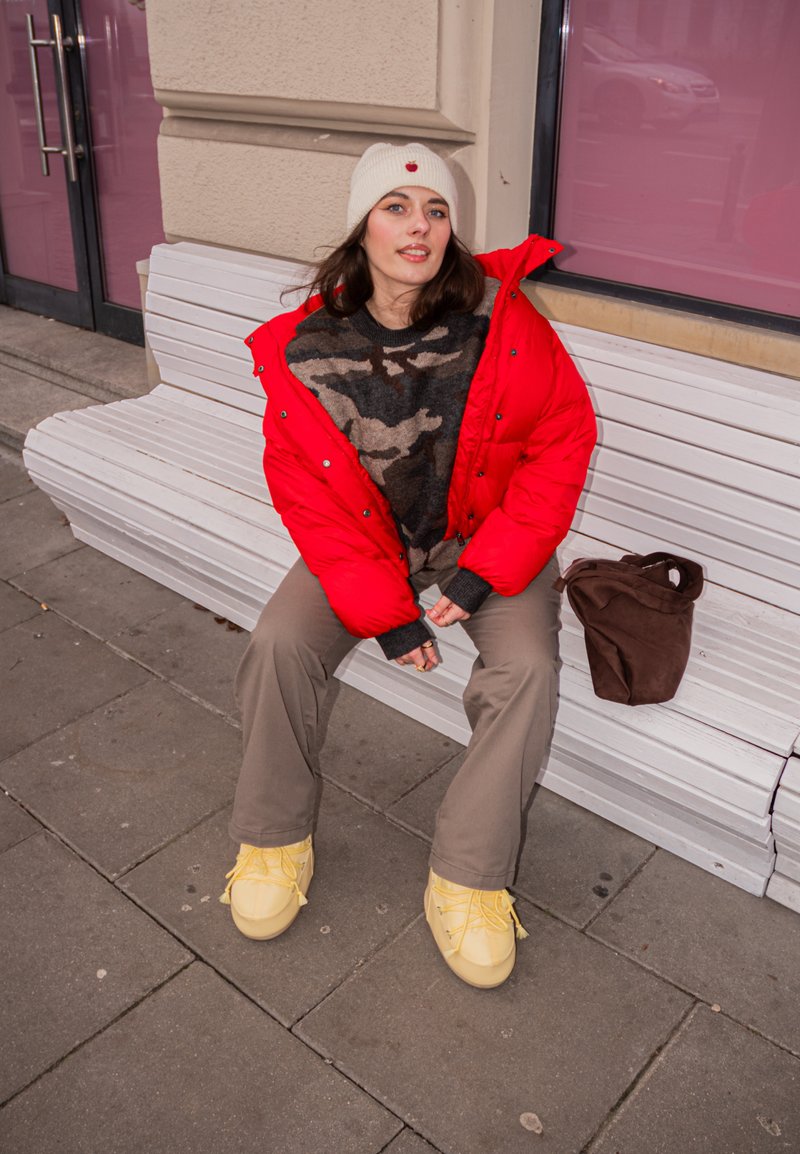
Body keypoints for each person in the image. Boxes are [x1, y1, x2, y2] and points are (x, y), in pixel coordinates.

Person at [220, 142, 596, 989]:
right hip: (366, 544)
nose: (418, 227)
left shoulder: (504, 320)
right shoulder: (306, 350)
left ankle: (467, 878)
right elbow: (308, 495)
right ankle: (273, 840)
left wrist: (482, 573)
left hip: (484, 538)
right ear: (363, 224)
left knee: (528, 667)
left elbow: (561, 440)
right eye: (396, 208)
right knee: (280, 643)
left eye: (434, 211)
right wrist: (385, 609)